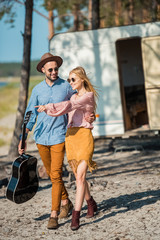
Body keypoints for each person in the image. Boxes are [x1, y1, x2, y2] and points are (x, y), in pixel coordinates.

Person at [18, 53, 95, 230]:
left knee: (55, 175)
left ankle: (54, 214)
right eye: (50, 69)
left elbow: (79, 103)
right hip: (41, 137)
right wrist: (23, 136)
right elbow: (30, 114)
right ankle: (66, 201)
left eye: (56, 69)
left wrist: (89, 117)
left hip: (60, 136)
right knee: (54, 175)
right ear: (43, 70)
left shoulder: (66, 87)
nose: (54, 72)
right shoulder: (37, 90)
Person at [36, 66, 98, 230]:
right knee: (80, 176)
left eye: (73, 79)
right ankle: (90, 203)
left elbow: (68, 106)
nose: (70, 82)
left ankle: (75, 216)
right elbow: (73, 106)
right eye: (69, 79)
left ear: (82, 80)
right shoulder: (74, 95)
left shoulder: (87, 96)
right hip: (70, 137)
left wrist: (48, 107)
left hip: (84, 136)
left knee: (79, 177)